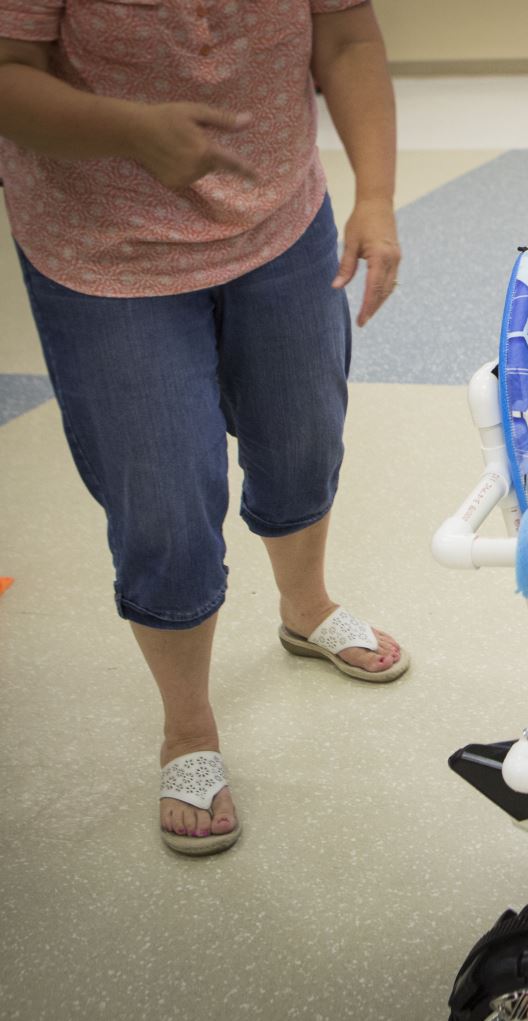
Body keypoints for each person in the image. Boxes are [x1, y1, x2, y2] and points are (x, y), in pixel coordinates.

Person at [0, 0, 405, 856]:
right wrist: (126, 129)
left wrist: (376, 195)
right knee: (164, 503)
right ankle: (187, 726)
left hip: (281, 217)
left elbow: (346, 34)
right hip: (104, 251)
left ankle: (306, 606)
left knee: (303, 437)